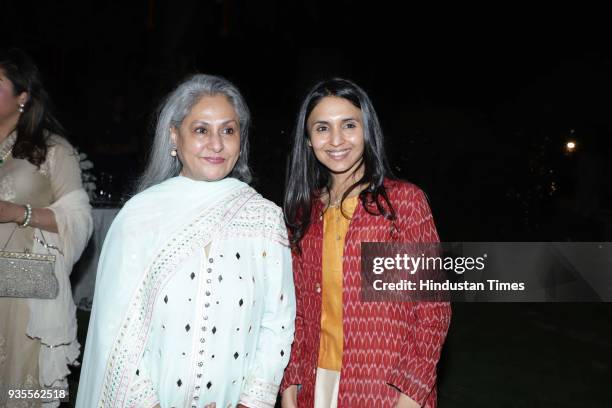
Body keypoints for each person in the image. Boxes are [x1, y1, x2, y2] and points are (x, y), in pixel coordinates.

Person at [76, 74, 295, 408]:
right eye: (201, 130)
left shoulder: (264, 217)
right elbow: (116, 333)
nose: (217, 144)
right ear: (174, 136)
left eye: (228, 130)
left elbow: (277, 321)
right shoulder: (141, 217)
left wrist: (250, 403)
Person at [280, 78, 451, 407]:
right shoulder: (304, 215)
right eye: (322, 128)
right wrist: (289, 390)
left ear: (366, 130)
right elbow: (296, 314)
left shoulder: (401, 205)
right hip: (315, 386)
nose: (336, 140)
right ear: (307, 140)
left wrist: (410, 396)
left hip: (384, 388)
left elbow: (432, 311)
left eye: (348, 125)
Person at [0, 48, 93, 407]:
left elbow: (79, 219)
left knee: (23, 390)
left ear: (23, 96)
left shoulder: (53, 151)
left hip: (25, 288)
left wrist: (16, 212)